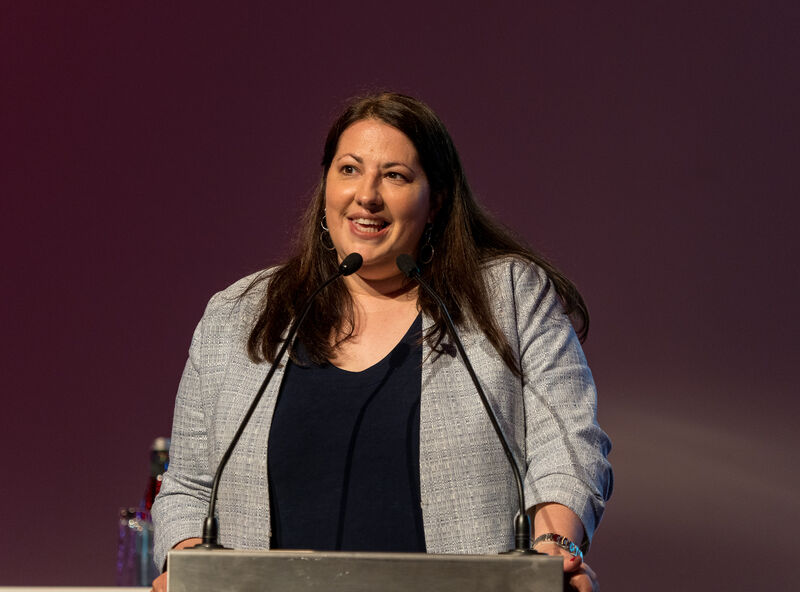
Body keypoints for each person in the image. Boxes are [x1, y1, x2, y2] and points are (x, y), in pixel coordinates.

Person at [151, 92, 612, 592]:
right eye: (349, 169)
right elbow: (188, 487)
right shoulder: (238, 316)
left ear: (436, 201)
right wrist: (192, 569)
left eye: (395, 176)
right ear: (326, 186)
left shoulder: (508, 297)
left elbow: (567, 444)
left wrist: (553, 548)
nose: (366, 195)